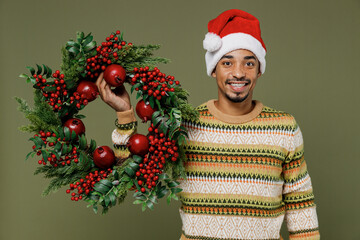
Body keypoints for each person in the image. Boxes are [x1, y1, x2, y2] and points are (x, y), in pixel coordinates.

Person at [96, 9, 320, 240]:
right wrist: (125, 114)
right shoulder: (183, 126)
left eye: (249, 63)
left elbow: (300, 204)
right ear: (214, 69)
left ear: (259, 70)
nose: (238, 73)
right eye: (227, 62)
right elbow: (132, 179)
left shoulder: (284, 127)